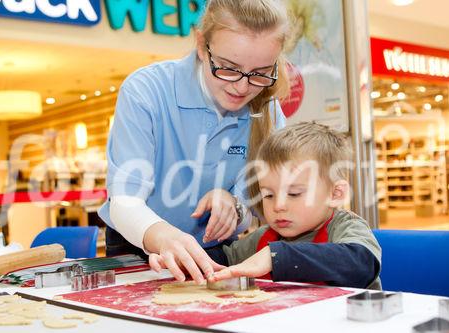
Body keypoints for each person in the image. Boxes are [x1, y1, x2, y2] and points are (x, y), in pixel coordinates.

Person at [98, 0, 290, 284]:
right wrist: (162, 235)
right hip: (137, 246)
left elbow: (260, 208)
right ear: (202, 46)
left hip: (217, 252)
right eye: (228, 67)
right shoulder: (146, 91)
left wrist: (236, 209)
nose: (242, 86)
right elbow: (124, 202)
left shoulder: (269, 112)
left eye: (260, 73)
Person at [208, 122, 382, 289]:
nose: (278, 206)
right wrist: (191, 259)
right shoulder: (264, 237)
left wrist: (275, 256)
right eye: (268, 195)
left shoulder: (346, 227)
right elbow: (225, 258)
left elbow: (361, 263)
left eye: (294, 194)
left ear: (335, 194)